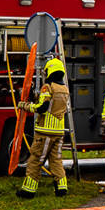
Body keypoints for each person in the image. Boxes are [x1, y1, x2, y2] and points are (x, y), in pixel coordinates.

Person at [17, 56, 71, 199]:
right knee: (56, 160)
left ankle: (28, 190)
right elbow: (52, 104)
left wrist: (25, 106)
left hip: (45, 131)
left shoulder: (47, 87)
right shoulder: (64, 89)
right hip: (59, 131)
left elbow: (42, 108)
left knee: (36, 159)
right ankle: (62, 188)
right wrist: (36, 97)